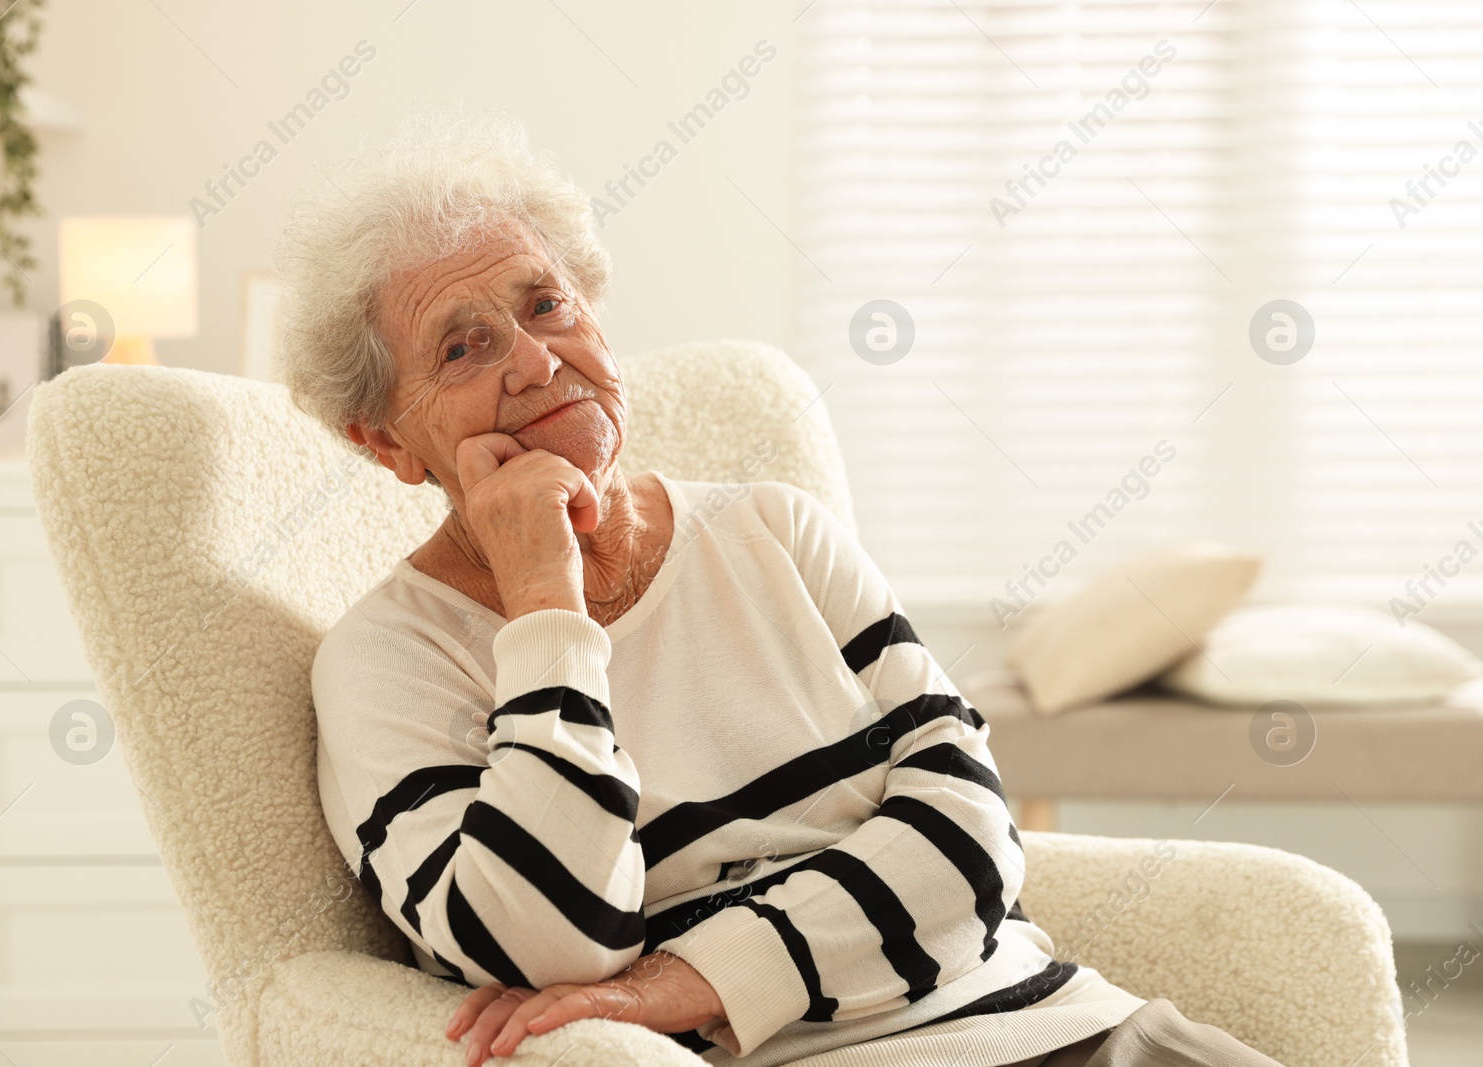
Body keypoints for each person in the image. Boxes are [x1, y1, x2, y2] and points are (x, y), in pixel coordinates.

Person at [276, 109, 1285, 1067]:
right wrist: (545, 603)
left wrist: (689, 978)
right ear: (384, 439)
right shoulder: (385, 664)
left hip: (1065, 1024)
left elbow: (970, 830)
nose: (539, 358)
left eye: (547, 304)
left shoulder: (772, 528)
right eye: (464, 345)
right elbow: (547, 948)